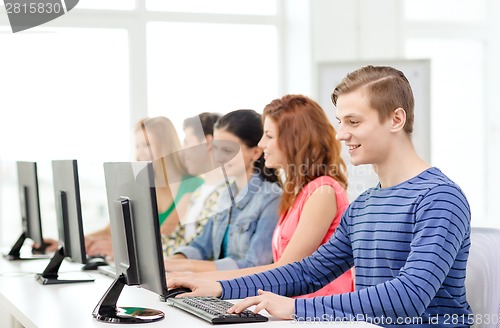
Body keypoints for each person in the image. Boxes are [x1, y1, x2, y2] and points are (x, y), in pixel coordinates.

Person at [167, 66, 472, 326]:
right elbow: (309, 272)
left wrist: (296, 308)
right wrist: (219, 288)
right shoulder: (365, 204)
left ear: (396, 120)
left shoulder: (439, 198)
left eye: (353, 122)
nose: (340, 134)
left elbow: (409, 296)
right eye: (340, 122)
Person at [170, 94, 354, 297]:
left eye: (269, 135)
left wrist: (205, 280)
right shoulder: (297, 193)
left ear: (294, 139)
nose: (261, 143)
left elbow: (286, 270)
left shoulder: (322, 192)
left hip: (316, 314)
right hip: (288, 308)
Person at [164, 109, 282, 272]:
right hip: (218, 289)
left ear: (255, 152)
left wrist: (184, 265)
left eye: (227, 151)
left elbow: (254, 265)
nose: (219, 157)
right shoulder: (226, 195)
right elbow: (202, 246)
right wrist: (170, 262)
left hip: (245, 293)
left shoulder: (272, 199)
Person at [85, 116, 203, 258]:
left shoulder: (195, 187)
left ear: (166, 145)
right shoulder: (140, 186)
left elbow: (161, 238)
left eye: (147, 145)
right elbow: (111, 230)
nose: (141, 152)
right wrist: (78, 242)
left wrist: (116, 247)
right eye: (138, 146)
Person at [163, 112, 226, 255]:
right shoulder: (198, 193)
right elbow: (173, 239)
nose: (183, 150)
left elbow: (196, 248)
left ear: (208, 143)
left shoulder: (226, 193)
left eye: (187, 142)